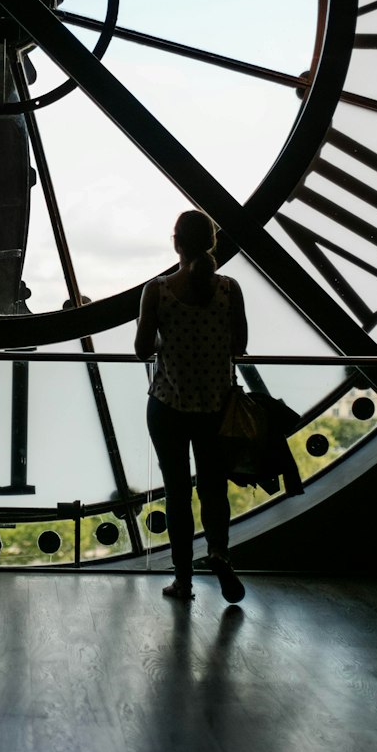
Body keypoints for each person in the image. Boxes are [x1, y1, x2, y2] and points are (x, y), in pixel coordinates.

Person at [135, 209, 248, 604]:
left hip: (169, 406)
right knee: (214, 490)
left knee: (177, 493)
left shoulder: (158, 290)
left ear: (176, 242)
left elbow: (142, 350)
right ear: (212, 243)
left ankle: (183, 580)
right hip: (216, 406)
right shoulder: (229, 290)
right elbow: (239, 347)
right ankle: (219, 552)